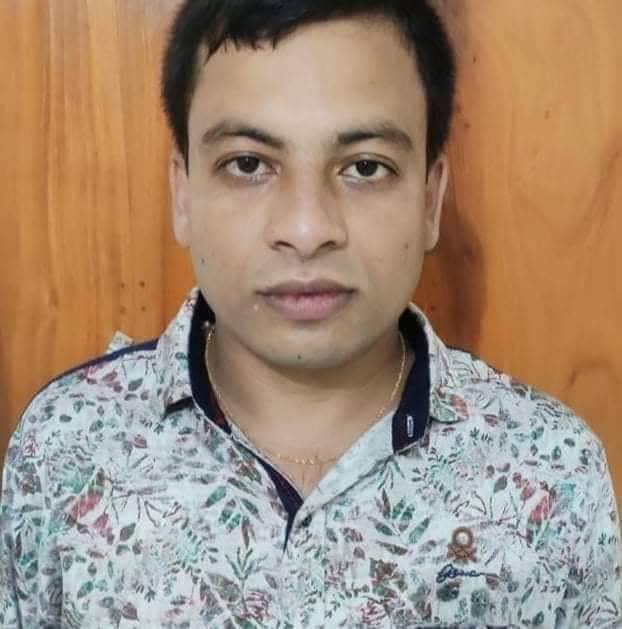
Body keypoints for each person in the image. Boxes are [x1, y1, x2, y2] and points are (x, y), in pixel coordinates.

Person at [1, 0, 620, 626]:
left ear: (431, 200)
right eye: (248, 164)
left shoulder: (549, 468)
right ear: (183, 192)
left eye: (365, 167)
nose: (306, 229)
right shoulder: (67, 446)